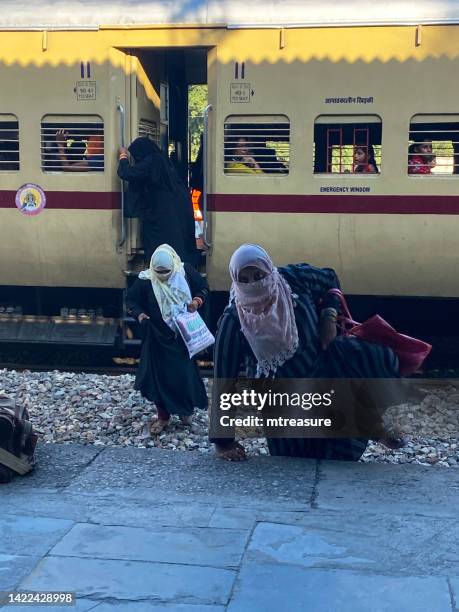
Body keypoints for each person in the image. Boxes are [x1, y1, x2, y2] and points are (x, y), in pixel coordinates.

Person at [210, 244, 404, 462]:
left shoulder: (294, 280)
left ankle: (371, 424)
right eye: (244, 280)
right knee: (296, 462)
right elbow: (224, 381)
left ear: (269, 269)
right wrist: (223, 442)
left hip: (326, 375)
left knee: (342, 454)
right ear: (236, 281)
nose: (254, 283)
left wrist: (328, 318)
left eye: (258, 274)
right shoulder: (234, 319)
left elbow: (330, 279)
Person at [126, 244, 208, 434]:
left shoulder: (185, 272)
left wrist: (196, 301)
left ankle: (186, 412)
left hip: (182, 337)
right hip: (157, 337)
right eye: (159, 272)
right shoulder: (146, 280)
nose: (163, 275)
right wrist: (140, 315)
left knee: (184, 376)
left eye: (166, 271)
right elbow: (131, 301)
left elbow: (203, 288)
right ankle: (163, 416)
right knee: (158, 379)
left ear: (174, 266)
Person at [118, 137, 198, 265]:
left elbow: (129, 173)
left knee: (159, 245)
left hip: (161, 212)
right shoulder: (161, 159)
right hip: (175, 207)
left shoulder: (152, 161)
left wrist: (123, 156)